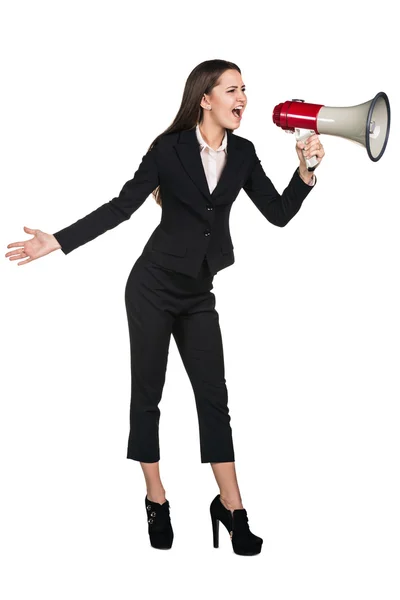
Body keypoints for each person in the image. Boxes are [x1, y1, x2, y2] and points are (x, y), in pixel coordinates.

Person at [5, 59, 325, 555]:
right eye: (232, 89)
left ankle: (233, 509)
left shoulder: (243, 153)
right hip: (152, 287)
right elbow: (121, 206)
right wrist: (59, 242)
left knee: (214, 399)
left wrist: (305, 171)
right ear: (205, 99)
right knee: (148, 395)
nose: (242, 98)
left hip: (199, 293)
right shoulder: (167, 150)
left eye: (246, 89)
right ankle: (156, 499)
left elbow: (278, 214)